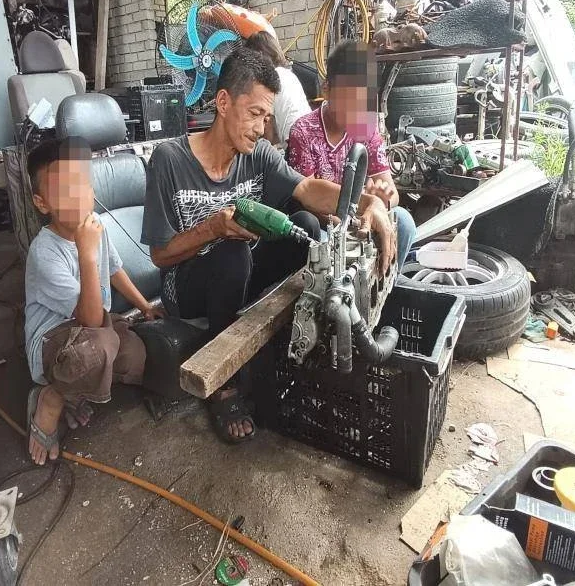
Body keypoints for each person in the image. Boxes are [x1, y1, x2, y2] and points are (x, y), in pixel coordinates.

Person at [142, 48, 396, 443]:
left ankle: (286, 344)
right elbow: (160, 255)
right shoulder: (169, 159)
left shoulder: (258, 154)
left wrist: (369, 202)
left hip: (238, 270)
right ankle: (224, 388)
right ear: (223, 102)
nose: (262, 128)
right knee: (231, 250)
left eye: (266, 116)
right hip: (187, 286)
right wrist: (212, 229)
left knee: (305, 224)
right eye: (254, 113)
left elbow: (309, 188)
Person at [23, 138, 162, 465]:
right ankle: (51, 397)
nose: (77, 197)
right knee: (96, 351)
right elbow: (86, 318)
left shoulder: (96, 228)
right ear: (42, 203)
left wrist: (144, 306)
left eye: (81, 184)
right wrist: (86, 254)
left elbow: (114, 270)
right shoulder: (45, 252)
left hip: (95, 325)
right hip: (55, 338)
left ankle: (76, 389)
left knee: (136, 357)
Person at [288, 40, 416, 267]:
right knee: (325, 245)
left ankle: (385, 292)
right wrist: (359, 217)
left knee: (404, 222)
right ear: (327, 88)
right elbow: (305, 200)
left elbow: (392, 193)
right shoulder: (304, 131)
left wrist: (383, 199)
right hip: (326, 224)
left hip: (362, 216)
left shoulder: (366, 128)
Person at [243, 31, 310, 147]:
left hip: (296, 146)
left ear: (258, 55)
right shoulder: (289, 75)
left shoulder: (270, 80)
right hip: (311, 138)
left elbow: (268, 132)